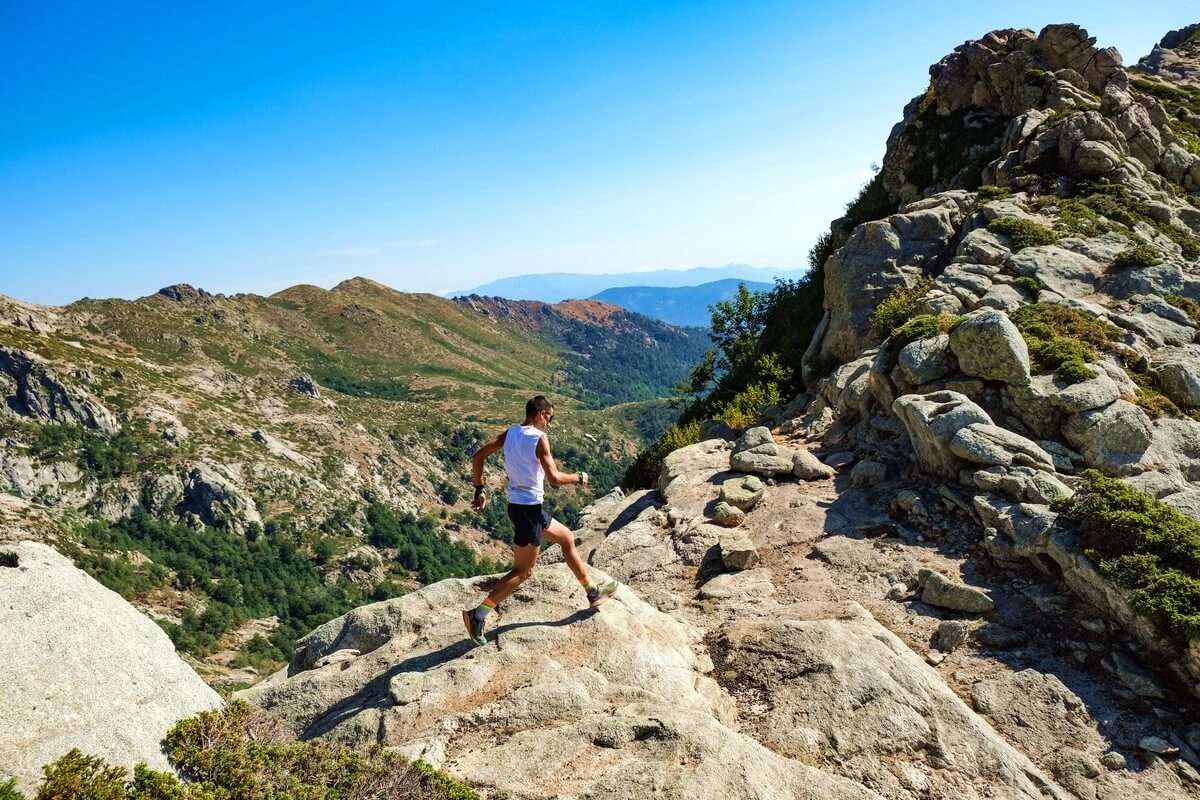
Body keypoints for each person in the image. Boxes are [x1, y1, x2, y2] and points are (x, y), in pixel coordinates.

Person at [462, 394, 618, 646]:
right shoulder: (539, 438)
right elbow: (554, 478)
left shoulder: (510, 433)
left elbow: (478, 456)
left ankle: (592, 592)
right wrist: (579, 477)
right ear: (542, 414)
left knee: (566, 538)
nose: (550, 424)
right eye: (550, 418)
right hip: (529, 512)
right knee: (523, 571)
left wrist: (479, 490)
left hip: (522, 508)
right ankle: (477, 615)